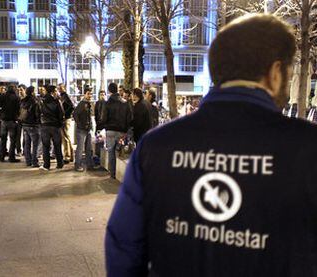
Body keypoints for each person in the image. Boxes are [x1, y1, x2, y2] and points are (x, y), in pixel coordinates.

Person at [105, 14, 313, 276]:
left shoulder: (156, 145)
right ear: (274, 73)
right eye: (289, 73)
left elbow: (123, 244)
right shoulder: (307, 148)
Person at [101, 83, 132, 178]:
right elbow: (129, 118)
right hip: (121, 131)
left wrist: (105, 126)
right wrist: (126, 130)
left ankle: (113, 174)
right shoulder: (125, 103)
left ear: (110, 91)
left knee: (111, 152)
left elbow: (103, 118)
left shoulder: (107, 103)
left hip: (110, 130)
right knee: (120, 151)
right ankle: (122, 175)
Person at [39, 85, 64, 171]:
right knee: (57, 145)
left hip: (44, 126)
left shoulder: (41, 101)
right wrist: (60, 123)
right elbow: (61, 114)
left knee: (45, 146)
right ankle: (60, 164)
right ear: (53, 92)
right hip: (55, 126)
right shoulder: (57, 101)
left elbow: (38, 113)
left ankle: (46, 165)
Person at [0, 85, 20, 163]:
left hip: (4, 120)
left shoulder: (3, 96)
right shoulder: (16, 97)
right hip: (12, 120)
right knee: (12, 140)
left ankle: (1, 157)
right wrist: (16, 116)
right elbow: (18, 109)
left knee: (3, 139)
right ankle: (11, 157)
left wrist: (1, 115)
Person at [73, 88, 94, 172]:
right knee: (80, 148)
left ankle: (89, 165)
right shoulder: (82, 104)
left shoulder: (88, 104)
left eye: (91, 94)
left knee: (89, 148)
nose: (90, 96)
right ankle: (77, 165)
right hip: (82, 130)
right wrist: (80, 125)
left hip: (87, 129)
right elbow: (75, 114)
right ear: (85, 94)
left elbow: (88, 116)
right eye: (88, 94)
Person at [20, 86, 41, 167]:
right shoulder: (34, 101)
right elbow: (37, 113)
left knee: (27, 144)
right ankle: (34, 162)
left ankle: (28, 161)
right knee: (35, 144)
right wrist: (38, 122)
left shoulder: (23, 101)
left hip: (25, 124)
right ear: (32, 92)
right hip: (33, 125)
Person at [59, 83, 75, 164]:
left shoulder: (65, 96)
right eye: (59, 88)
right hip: (66, 119)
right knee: (67, 137)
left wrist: (65, 115)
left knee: (65, 138)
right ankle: (70, 155)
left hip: (65, 119)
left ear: (64, 88)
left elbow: (71, 106)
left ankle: (68, 156)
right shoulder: (62, 96)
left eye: (61, 87)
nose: (59, 89)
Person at [16, 84, 26, 156]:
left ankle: (25, 150)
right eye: (18, 90)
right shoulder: (16, 99)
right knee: (18, 136)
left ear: (25, 90)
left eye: (21, 90)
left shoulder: (27, 99)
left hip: (25, 120)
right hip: (18, 119)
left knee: (25, 136)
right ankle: (19, 150)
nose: (20, 91)